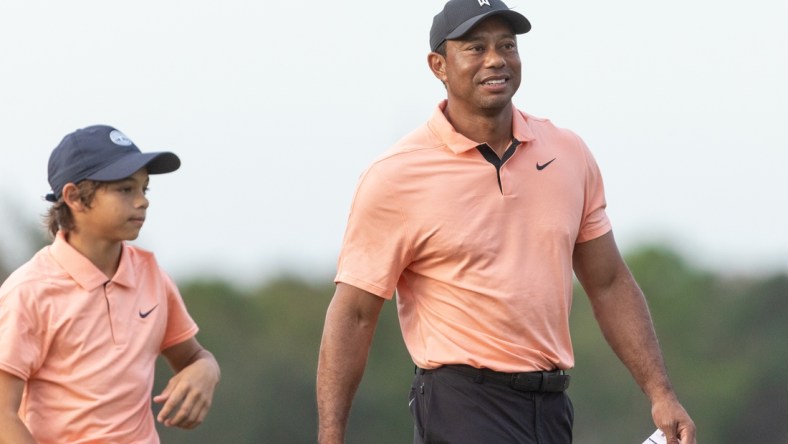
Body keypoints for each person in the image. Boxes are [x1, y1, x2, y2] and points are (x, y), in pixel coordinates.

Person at [316, 0, 696, 443]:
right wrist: (330, 435)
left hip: (551, 406)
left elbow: (609, 282)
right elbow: (355, 315)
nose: (496, 59)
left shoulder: (567, 153)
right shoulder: (396, 175)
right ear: (438, 65)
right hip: (461, 402)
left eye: (507, 46)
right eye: (475, 48)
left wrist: (661, 393)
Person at [0, 125, 221, 443]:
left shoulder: (151, 276)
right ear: (74, 197)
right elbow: (3, 415)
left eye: (144, 189)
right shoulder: (29, 291)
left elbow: (193, 356)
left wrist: (206, 369)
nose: (142, 201)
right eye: (125, 189)